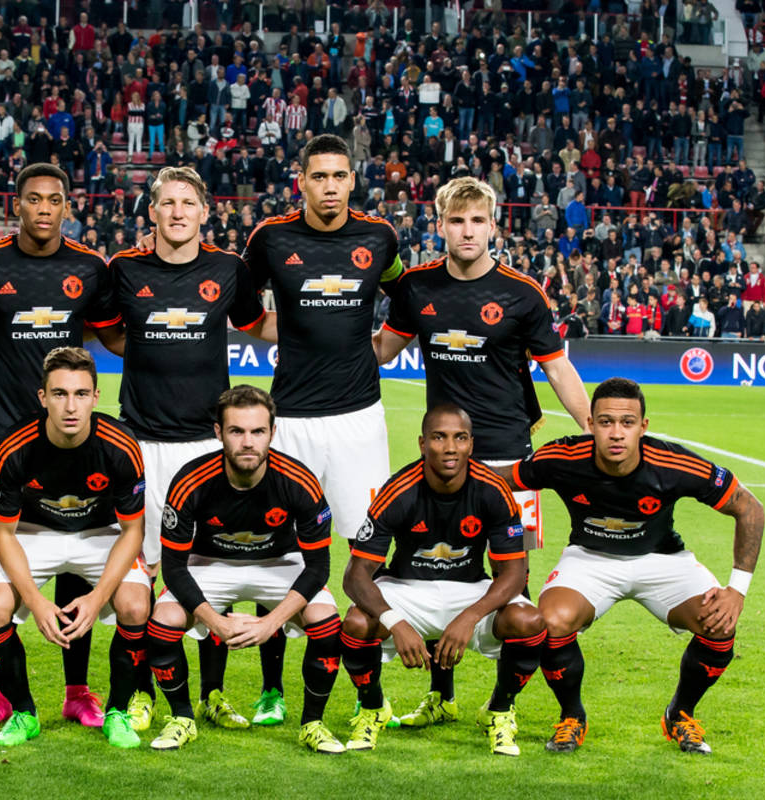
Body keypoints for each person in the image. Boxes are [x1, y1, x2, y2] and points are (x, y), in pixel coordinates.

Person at [372, 175, 590, 725]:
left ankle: (502, 704)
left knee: (513, 579)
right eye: (456, 221)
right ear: (439, 226)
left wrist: (591, 428)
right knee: (436, 571)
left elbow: (557, 368)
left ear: (493, 226)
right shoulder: (416, 288)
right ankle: (440, 698)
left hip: (509, 459)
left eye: (477, 221)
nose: (467, 231)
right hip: (444, 456)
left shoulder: (522, 292)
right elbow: (382, 349)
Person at [0, 163, 122, 732]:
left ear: (67, 206)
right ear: (16, 205)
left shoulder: (89, 267)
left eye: (54, 200)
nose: (44, 209)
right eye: (34, 199)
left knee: (74, 558)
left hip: (70, 437)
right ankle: (0, 693)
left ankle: (77, 691)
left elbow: (109, 335)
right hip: (0, 437)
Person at [492, 378, 764, 754]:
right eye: (606, 422)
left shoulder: (672, 463)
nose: (616, 433)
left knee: (720, 624)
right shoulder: (562, 457)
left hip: (662, 560)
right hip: (590, 559)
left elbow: (749, 508)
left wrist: (737, 590)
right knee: (551, 623)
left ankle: (680, 714)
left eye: (627, 422)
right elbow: (498, 481)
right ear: (591, 424)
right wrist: (442, 476)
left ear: (643, 427)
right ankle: (572, 716)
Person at [103, 166, 282, 729]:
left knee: (207, 570)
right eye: (168, 203)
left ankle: (213, 694)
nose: (178, 212)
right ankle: (140, 694)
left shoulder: (228, 269)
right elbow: (111, 334)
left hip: (206, 447)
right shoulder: (124, 269)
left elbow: (256, 324)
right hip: (140, 442)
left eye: (188, 203)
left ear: (205, 212)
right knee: (139, 580)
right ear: (152, 212)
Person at [241, 132, 404, 613]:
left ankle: (365, 661)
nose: (329, 186)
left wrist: (385, 346)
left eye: (338, 176)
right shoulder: (270, 238)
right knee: (277, 546)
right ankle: (272, 661)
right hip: (291, 418)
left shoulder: (380, 236)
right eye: (318, 177)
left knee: (367, 546)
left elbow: (409, 294)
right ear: (301, 182)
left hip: (360, 418)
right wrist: (290, 331)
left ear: (352, 180)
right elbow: (241, 308)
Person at [147, 385, 345, 754]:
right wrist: (215, 622)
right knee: (163, 624)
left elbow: (318, 568)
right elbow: (173, 568)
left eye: (258, 431)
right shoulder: (190, 480)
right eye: (236, 431)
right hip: (209, 563)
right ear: (218, 432)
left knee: (327, 624)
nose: (248, 442)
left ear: (273, 432)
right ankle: (182, 717)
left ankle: (312, 723)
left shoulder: (299, 481)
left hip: (280, 563)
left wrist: (271, 622)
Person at [340, 404, 544, 756]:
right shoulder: (397, 489)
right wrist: (395, 621)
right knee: (356, 623)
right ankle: (373, 708)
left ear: (471, 444)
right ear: (422, 444)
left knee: (530, 621)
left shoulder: (494, 489)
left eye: (460, 438)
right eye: (439, 437)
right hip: (407, 590)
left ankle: (499, 710)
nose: (450, 448)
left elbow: (514, 573)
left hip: (470, 591)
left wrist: (470, 616)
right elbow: (355, 576)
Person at [0, 347, 152, 749]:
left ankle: (117, 711)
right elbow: (2, 534)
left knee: (134, 606)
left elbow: (132, 531)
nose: (70, 406)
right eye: (59, 394)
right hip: (32, 532)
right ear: (43, 397)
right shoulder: (14, 446)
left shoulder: (121, 445)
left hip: (100, 532)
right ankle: (23, 712)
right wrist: (36, 602)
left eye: (80, 394)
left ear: (95, 396)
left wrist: (97, 598)